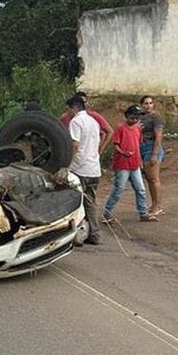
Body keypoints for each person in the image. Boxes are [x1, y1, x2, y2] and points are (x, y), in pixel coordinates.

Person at [103, 105, 152, 222]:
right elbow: (116, 144)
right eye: (132, 117)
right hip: (122, 164)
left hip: (134, 163)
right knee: (119, 189)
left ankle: (143, 213)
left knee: (140, 189)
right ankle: (107, 212)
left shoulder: (137, 128)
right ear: (127, 116)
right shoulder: (120, 128)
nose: (135, 120)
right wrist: (123, 152)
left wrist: (140, 161)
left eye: (137, 118)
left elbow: (137, 145)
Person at [66, 96, 102, 245]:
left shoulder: (76, 122)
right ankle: (94, 233)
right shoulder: (94, 122)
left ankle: (78, 235)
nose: (67, 112)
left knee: (77, 202)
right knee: (90, 202)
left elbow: (75, 145)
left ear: (74, 107)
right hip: (94, 169)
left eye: (67, 109)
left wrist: (67, 165)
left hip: (80, 168)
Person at [139, 95, 165, 218]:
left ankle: (158, 206)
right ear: (141, 105)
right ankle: (154, 203)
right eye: (145, 103)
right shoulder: (140, 117)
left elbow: (158, 136)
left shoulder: (156, 118)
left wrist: (154, 154)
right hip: (142, 148)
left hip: (152, 147)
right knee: (149, 179)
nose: (148, 105)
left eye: (150, 103)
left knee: (154, 178)